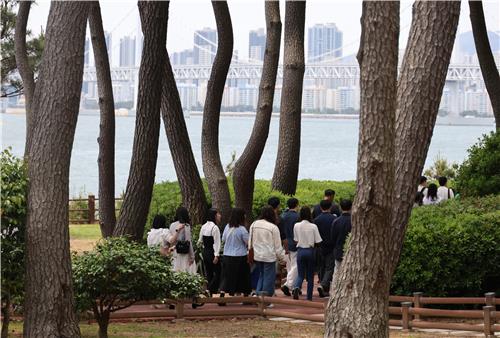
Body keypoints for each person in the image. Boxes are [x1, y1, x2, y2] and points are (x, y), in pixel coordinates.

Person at [248, 206, 286, 302]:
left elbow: (250, 241)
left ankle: (257, 295)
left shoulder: (254, 224)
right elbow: (278, 247)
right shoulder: (273, 227)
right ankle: (265, 300)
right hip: (269, 256)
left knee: (261, 275)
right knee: (268, 279)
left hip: (257, 255)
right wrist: (283, 259)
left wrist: (250, 252)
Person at [292, 206, 322, 301]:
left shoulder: (296, 225)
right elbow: (318, 241)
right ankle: (309, 297)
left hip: (300, 251)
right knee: (310, 276)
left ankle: (296, 287)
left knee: (300, 274)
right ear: (309, 214)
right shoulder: (313, 226)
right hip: (310, 251)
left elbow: (296, 240)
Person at [221, 208, 252, 298]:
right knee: (243, 276)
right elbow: (248, 242)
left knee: (227, 276)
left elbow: (223, 239)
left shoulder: (227, 226)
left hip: (227, 255)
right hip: (240, 256)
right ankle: (245, 294)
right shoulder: (242, 229)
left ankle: (223, 291)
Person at [314, 200, 337, 298]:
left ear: (320, 208)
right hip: (331, 246)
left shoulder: (316, 220)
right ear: (330, 207)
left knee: (321, 266)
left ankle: (323, 286)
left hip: (320, 246)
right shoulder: (334, 219)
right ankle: (324, 285)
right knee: (329, 267)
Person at [197, 208, 222, 296]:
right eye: (218, 214)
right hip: (212, 252)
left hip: (205, 252)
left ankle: (211, 291)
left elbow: (199, 241)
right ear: (214, 216)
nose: (220, 216)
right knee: (218, 272)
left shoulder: (203, 226)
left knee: (209, 272)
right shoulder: (215, 228)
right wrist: (216, 255)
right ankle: (210, 290)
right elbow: (217, 243)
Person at [279, 198, 300, 296]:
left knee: (289, 266)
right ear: (296, 205)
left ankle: (291, 285)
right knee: (296, 266)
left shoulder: (283, 216)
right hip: (295, 243)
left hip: (285, 243)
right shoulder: (297, 217)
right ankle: (288, 284)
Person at [169, 207, 196, 274]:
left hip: (175, 252)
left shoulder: (172, 225)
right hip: (185, 253)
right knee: (185, 272)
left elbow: (171, 240)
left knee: (176, 272)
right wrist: (192, 257)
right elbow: (188, 241)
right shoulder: (187, 226)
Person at [331, 199, 352, 271]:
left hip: (338, 250)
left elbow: (333, 238)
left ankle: (336, 283)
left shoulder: (336, 221)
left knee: (337, 270)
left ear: (340, 207)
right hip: (351, 250)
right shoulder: (353, 220)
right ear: (351, 207)